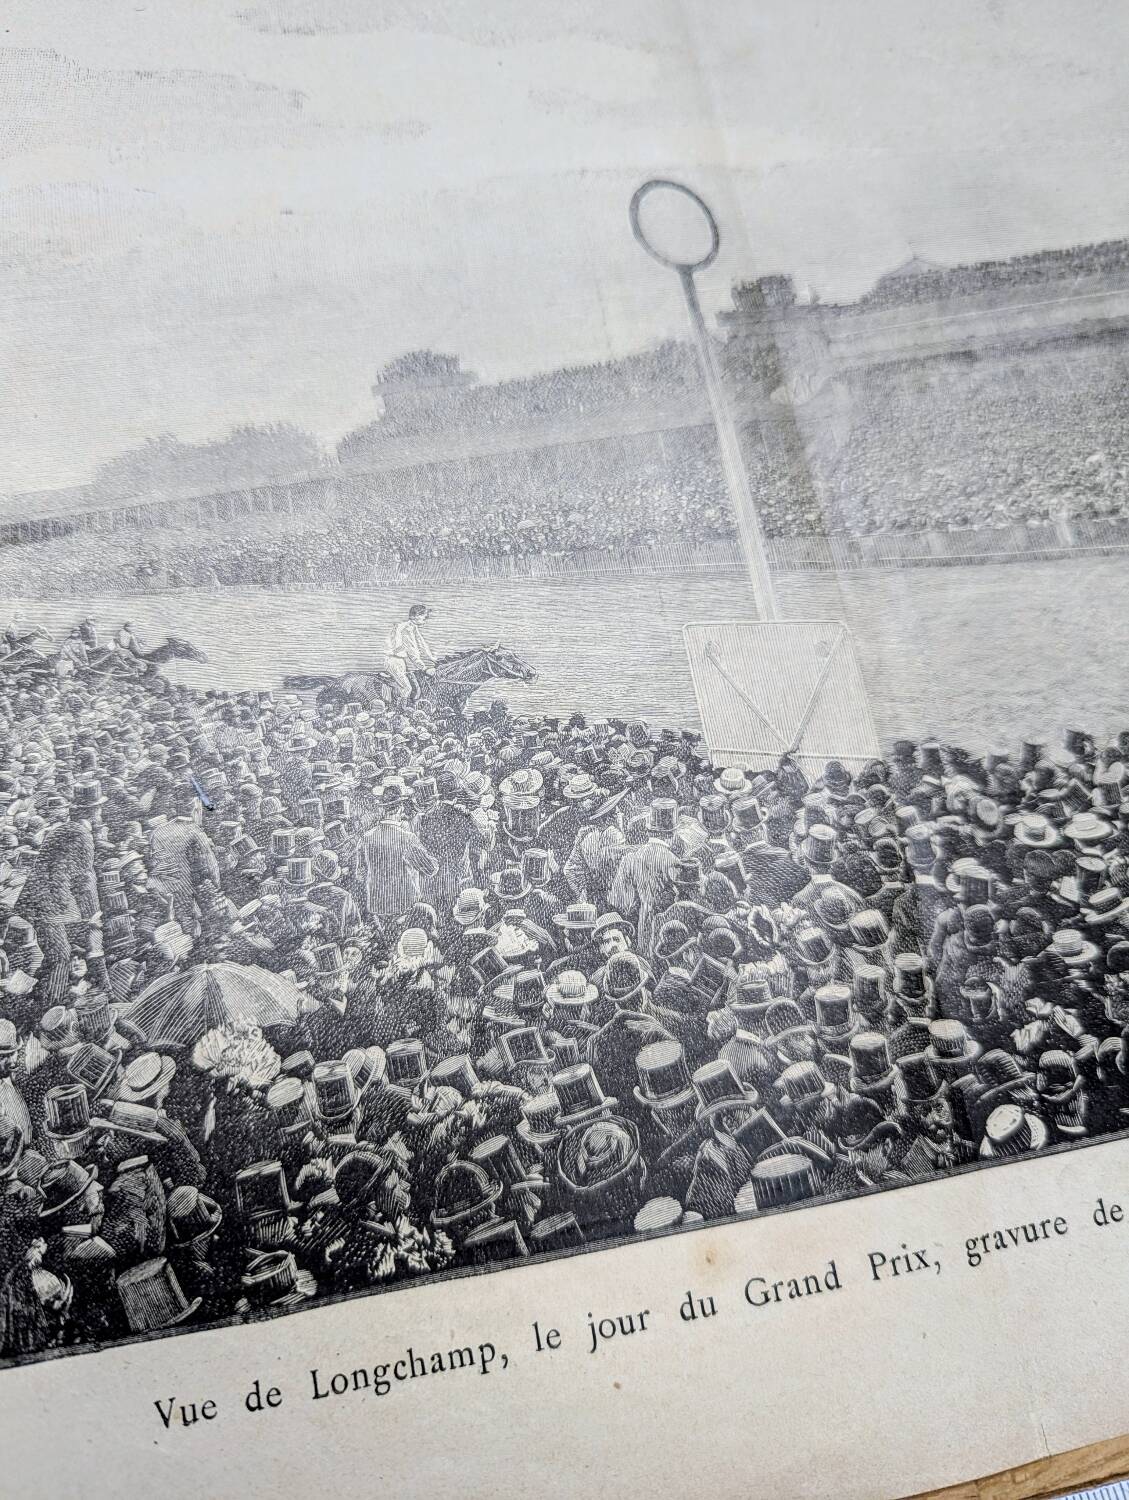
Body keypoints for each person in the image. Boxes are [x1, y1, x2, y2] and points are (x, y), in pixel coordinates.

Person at [385, 604, 436, 705]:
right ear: (415, 616)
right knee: (407, 688)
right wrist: (425, 668)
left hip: (402, 661)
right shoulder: (406, 629)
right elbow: (412, 652)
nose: (426, 619)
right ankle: (400, 711)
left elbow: (422, 645)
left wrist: (433, 659)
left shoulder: (413, 627)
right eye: (424, 616)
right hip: (394, 661)